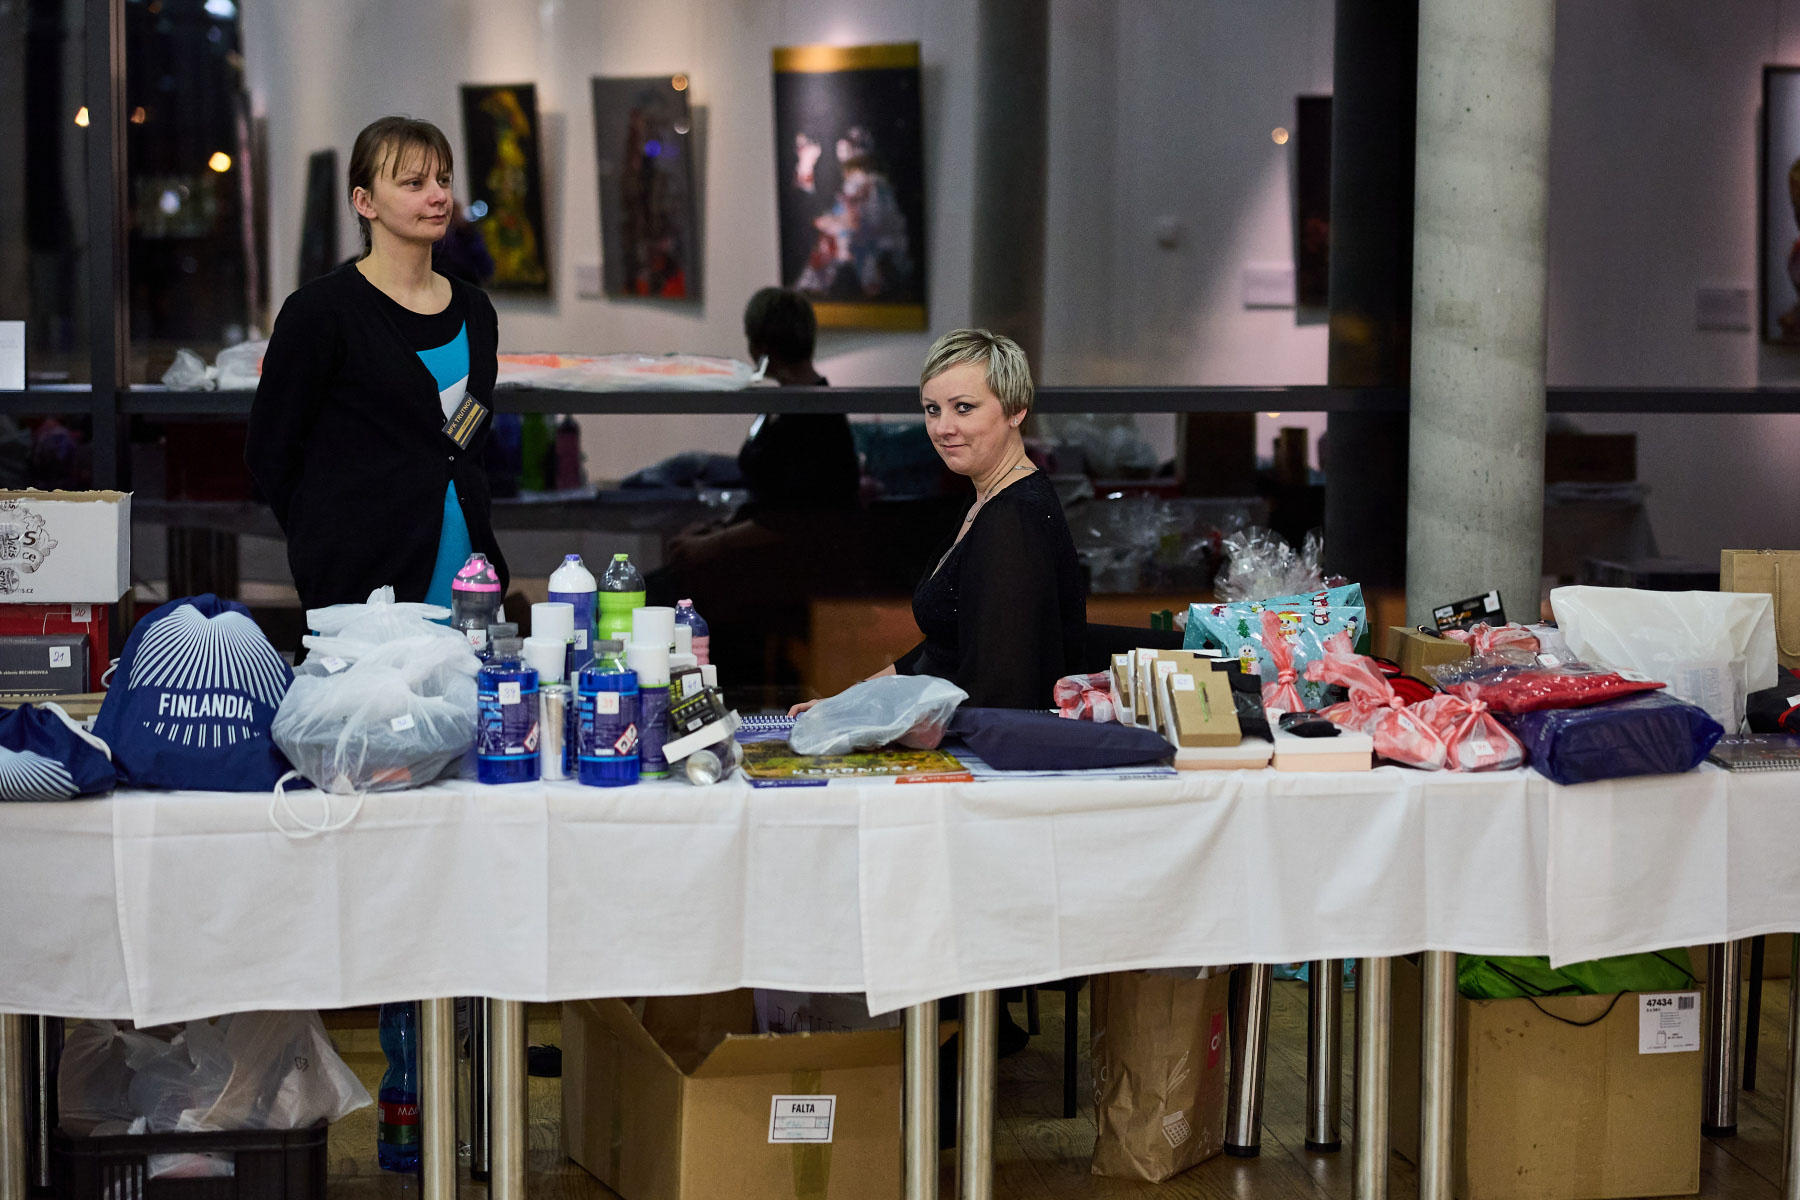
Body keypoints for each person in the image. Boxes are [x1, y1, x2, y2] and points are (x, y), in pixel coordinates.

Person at [247, 116, 508, 613]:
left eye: (443, 180)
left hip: (467, 571)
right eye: (414, 183)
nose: (438, 196)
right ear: (364, 201)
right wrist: (324, 537)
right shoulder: (321, 312)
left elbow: (464, 433)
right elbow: (270, 449)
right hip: (362, 585)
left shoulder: (475, 310)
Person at [792, 328, 1086, 713]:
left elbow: (1001, 696)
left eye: (963, 408)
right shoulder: (985, 499)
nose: (943, 428)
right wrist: (847, 703)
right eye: (933, 409)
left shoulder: (1012, 519)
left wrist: (878, 723)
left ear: (1016, 410)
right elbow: (941, 651)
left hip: (991, 743)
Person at [736, 287, 859, 510]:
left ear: (763, 346)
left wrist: (719, 535)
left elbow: (796, 516)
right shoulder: (786, 401)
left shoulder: (814, 414)